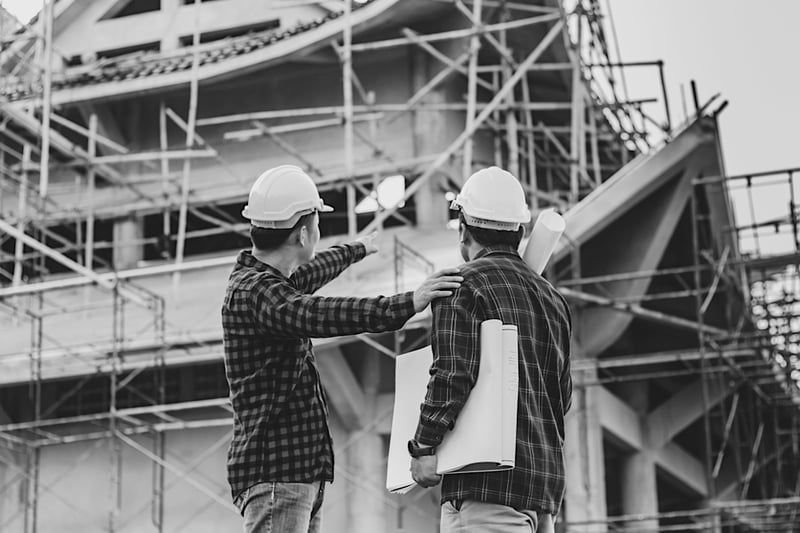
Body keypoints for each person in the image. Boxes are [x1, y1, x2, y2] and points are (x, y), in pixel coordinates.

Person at [222, 164, 462, 533]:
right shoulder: (259, 294)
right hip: (277, 475)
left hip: (293, 473)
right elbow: (321, 313)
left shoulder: (266, 284)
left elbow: (309, 274)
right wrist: (407, 302)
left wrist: (356, 250)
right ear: (304, 234)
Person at [409, 166, 572, 533]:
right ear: (522, 231)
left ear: (463, 229)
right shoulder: (554, 300)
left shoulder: (461, 285)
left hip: (487, 489)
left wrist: (423, 446)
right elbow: (561, 399)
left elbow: (453, 375)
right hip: (541, 495)